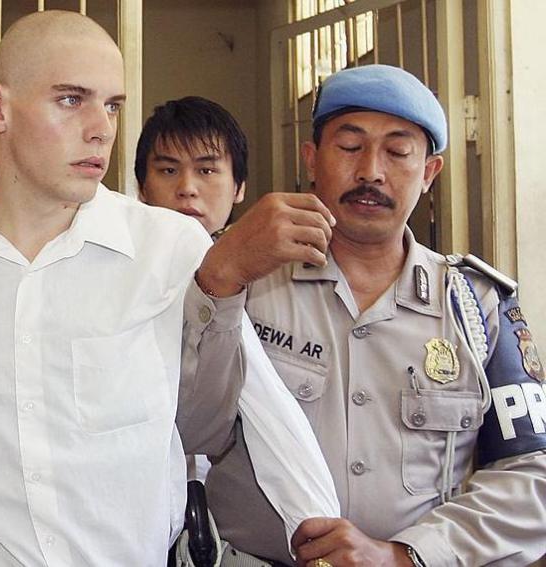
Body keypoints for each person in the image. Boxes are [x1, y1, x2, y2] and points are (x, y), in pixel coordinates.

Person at [0, 11, 334, 566]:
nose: (102, 128)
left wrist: (324, 536)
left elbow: (265, 410)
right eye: (71, 99)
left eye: (113, 105)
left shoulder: (169, 248)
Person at [198, 64, 546, 566]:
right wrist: (221, 280)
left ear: (429, 173)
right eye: (350, 146)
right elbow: (186, 426)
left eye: (399, 152)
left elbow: (531, 475)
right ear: (312, 159)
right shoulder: (246, 282)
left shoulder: (476, 305)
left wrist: (407, 555)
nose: (371, 172)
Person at [135, 97, 339, 564]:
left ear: (240, 186)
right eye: (167, 171)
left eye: (207, 171)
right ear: (142, 188)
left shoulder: (275, 282)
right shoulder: (120, 279)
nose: (187, 189)